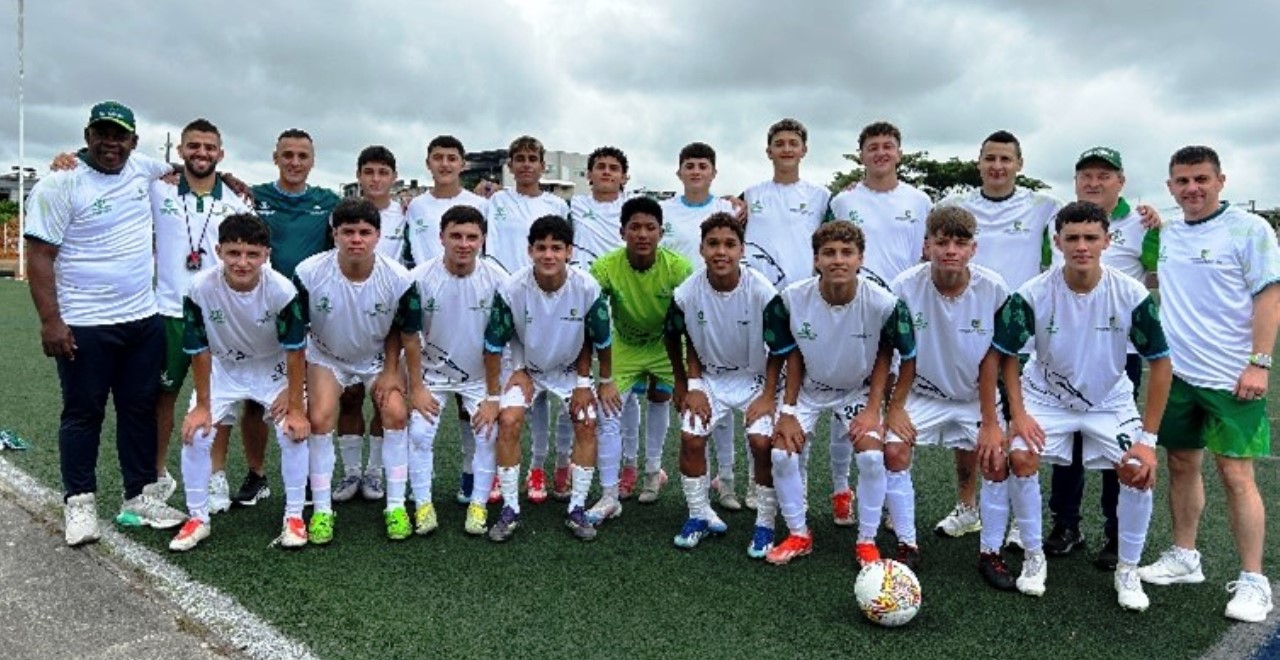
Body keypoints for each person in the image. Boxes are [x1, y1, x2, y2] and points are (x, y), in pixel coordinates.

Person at [990, 200, 1170, 610]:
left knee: (1138, 469)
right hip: (1045, 397)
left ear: (1107, 241)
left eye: (1091, 237)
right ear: (1058, 242)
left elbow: (1161, 363)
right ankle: (1033, 557)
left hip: (1108, 401)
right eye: (1072, 238)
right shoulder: (1033, 293)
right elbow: (1005, 355)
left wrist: (1147, 439)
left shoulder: (1132, 294)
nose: (1082, 246)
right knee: (1020, 456)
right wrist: (1018, 415)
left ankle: (1128, 568)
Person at [24, 101, 187, 545]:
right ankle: (79, 503)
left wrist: (230, 179)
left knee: (139, 410)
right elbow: (39, 255)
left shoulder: (142, 167)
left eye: (119, 136)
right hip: (85, 323)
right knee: (83, 413)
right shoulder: (60, 182)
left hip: (141, 320)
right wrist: (51, 321)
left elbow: (187, 166)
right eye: (102, 134)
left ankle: (139, 496)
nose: (110, 143)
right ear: (88, 135)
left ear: (133, 141)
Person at [1139, 146, 1280, 623]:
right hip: (1177, 376)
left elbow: (1270, 296)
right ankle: (1185, 556)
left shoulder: (1250, 229)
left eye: (1201, 179)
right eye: (1182, 181)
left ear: (1221, 180)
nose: (1192, 188)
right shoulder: (1169, 234)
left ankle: (1254, 580)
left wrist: (1259, 363)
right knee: (1181, 464)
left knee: (1236, 475)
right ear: (1170, 186)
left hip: (1231, 378)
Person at [933, 130, 1062, 547]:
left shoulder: (1044, 206)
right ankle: (967, 507)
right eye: (990, 158)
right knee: (969, 427)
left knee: (1017, 428)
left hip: (1019, 338)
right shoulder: (955, 207)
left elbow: (1092, 219)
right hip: (965, 331)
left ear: (1019, 164)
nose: (997, 166)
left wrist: (1147, 217)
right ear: (979, 162)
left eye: (1006, 158)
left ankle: (1018, 520)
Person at [763, 222, 915, 566]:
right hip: (809, 388)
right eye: (829, 253)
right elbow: (788, 353)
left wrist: (880, 409)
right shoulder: (790, 300)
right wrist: (787, 410)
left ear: (861, 259)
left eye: (847, 252)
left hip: (856, 390)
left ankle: (866, 540)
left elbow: (903, 356)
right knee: (781, 455)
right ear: (816, 259)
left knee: (872, 458)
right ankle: (799, 534)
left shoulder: (884, 303)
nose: (838, 260)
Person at [1044, 147, 1161, 569]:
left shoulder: (1142, 223)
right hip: (1066, 349)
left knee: (1116, 445)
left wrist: (1159, 231)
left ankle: (1115, 533)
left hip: (1119, 354)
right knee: (1068, 443)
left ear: (1120, 181)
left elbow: (1156, 272)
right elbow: (1048, 273)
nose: (1094, 182)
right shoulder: (1059, 220)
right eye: (1086, 175)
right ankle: (1066, 525)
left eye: (1104, 175)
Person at [168, 214, 310, 551]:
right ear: (218, 251)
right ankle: (198, 517)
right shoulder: (199, 288)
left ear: (266, 254)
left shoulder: (282, 290)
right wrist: (203, 406)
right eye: (233, 253)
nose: (242, 263)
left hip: (271, 366)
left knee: (293, 431)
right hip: (224, 366)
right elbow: (199, 349)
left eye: (252, 254)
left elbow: (295, 349)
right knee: (196, 433)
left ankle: (294, 517)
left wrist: (294, 402)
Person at [291, 198, 425, 544]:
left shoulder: (399, 277)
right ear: (334, 234)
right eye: (348, 231)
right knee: (319, 417)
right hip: (327, 356)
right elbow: (295, 334)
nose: (356, 239)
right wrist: (296, 388)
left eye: (364, 232)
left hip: (378, 357)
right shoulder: (308, 272)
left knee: (395, 413)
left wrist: (393, 372)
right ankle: (323, 511)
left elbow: (406, 332)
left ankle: (395, 506)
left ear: (377, 236)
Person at [884, 206, 1008, 574]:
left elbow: (999, 358)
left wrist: (991, 421)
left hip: (974, 396)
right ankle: (907, 544)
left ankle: (991, 552)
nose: (951, 250)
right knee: (893, 449)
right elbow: (890, 351)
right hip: (921, 393)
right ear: (927, 246)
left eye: (960, 242)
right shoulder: (904, 286)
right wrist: (894, 407)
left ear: (973, 249)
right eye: (942, 242)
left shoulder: (994, 288)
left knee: (996, 459)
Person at [476, 215, 613, 542]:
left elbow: (600, 339)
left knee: (587, 421)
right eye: (541, 248)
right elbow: (493, 345)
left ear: (569, 251)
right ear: (530, 251)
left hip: (569, 370)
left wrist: (590, 382)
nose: (548, 255)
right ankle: (510, 509)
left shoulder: (587, 286)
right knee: (508, 421)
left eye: (556, 248)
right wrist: (495, 396)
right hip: (527, 370)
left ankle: (577, 509)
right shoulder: (512, 288)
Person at [233, 129, 342, 508]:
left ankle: (309, 478)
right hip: (259, 312)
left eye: (302, 156)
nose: (295, 162)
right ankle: (257, 474)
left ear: (312, 161)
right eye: (288, 155)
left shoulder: (327, 201)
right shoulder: (254, 196)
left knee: (305, 395)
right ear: (275, 157)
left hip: (309, 313)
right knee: (255, 399)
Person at [149, 119, 251, 515]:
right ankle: (157, 475)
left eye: (210, 147)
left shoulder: (237, 200)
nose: (202, 153)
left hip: (220, 316)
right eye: (194, 146)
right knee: (162, 397)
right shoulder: (159, 189)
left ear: (221, 154)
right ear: (181, 151)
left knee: (220, 401)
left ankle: (215, 475)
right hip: (171, 311)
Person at [664, 212, 782, 553]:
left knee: (762, 443)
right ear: (701, 249)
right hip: (710, 378)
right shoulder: (686, 293)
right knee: (690, 437)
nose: (721, 251)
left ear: (742, 250)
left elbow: (780, 348)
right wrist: (687, 384)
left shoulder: (762, 291)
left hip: (755, 379)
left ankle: (765, 524)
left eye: (730, 244)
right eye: (713, 244)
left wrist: (768, 394)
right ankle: (699, 515)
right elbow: (673, 336)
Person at [743, 118, 836, 515]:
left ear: (804, 150)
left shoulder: (821, 196)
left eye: (792, 143)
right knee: (760, 395)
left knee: (802, 398)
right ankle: (756, 477)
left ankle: (803, 482)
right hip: (761, 307)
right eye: (779, 143)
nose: (786, 149)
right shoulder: (751, 195)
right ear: (769, 151)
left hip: (806, 306)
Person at [585, 197, 694, 524]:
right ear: (622, 232)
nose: (642, 234)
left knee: (674, 403)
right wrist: (603, 376)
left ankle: (652, 472)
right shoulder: (605, 267)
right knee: (607, 412)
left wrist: (687, 377)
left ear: (661, 232)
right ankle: (608, 495)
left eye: (650, 228)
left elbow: (692, 323)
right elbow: (591, 317)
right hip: (626, 345)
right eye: (635, 227)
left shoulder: (679, 268)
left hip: (667, 346)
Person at [404, 205, 510, 536]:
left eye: (472, 237)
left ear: (483, 240)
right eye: (456, 236)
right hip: (432, 376)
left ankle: (478, 505)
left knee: (488, 433)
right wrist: (416, 387)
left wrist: (494, 395)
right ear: (441, 238)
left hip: (479, 378)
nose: (464, 244)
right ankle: (423, 505)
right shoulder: (418, 278)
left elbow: (504, 338)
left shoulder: (499, 279)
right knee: (419, 433)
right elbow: (409, 336)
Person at [483, 136, 574, 502]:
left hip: (549, 303)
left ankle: (544, 467)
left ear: (542, 166)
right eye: (518, 159)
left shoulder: (557, 204)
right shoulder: (494, 202)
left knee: (558, 393)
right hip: (509, 302)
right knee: (515, 393)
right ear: (510, 165)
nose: (525, 164)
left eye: (531, 158)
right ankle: (500, 471)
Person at [404, 135, 491, 504]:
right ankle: (421, 485)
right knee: (421, 412)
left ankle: (471, 475)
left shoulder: (481, 203)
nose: (444, 164)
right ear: (428, 163)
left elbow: (486, 253)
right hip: (430, 303)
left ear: (462, 164)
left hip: (469, 300)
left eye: (451, 158)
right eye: (437, 157)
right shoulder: (414, 205)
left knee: (470, 406)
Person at [659, 142, 743, 511]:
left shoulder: (728, 209)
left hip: (722, 313)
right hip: (682, 308)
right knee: (691, 397)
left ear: (713, 172)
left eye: (703, 166)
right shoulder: (665, 210)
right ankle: (661, 473)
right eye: (689, 165)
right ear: (679, 172)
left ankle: (726, 479)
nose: (696, 171)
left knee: (721, 396)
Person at [330, 146, 409, 506]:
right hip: (348, 318)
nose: (376, 179)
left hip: (388, 319)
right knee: (349, 398)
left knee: (384, 400)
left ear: (394, 177)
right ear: (358, 175)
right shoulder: (341, 215)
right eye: (369, 172)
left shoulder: (408, 213)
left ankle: (375, 471)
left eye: (383, 172)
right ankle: (351, 471)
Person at [828, 121, 932, 285]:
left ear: (899, 154)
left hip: (906, 294)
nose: (881, 153)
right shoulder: (842, 202)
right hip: (857, 293)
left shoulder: (921, 201)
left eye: (888, 147)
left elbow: (931, 251)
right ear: (861, 157)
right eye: (873, 148)